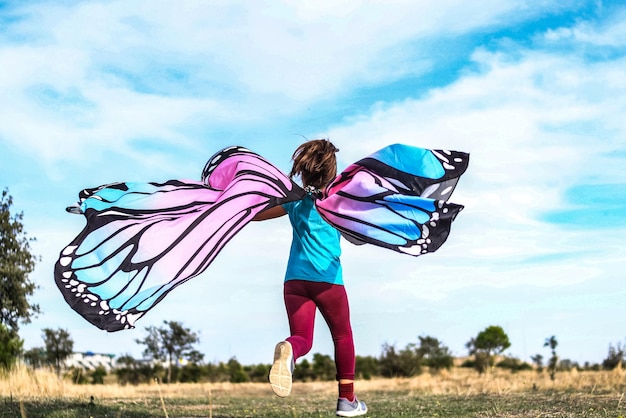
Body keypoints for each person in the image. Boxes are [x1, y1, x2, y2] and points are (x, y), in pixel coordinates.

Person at [253, 139, 368, 417]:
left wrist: (242, 203)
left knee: (302, 337)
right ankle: (347, 400)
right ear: (331, 172)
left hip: (294, 281)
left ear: (304, 171)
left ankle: (289, 350)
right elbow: (360, 237)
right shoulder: (338, 202)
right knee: (342, 335)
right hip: (328, 280)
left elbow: (256, 216)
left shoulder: (294, 201)